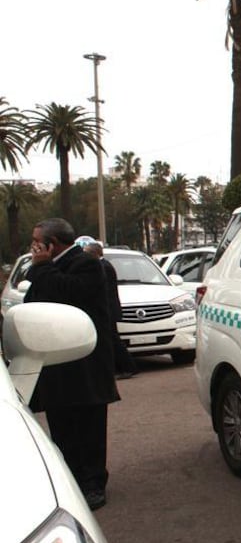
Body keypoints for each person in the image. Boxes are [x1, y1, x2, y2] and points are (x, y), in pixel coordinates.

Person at [25, 219, 120, 510]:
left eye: (37, 242)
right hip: (55, 363)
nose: (33, 248)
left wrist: (42, 266)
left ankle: (93, 484)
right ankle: (71, 481)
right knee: (62, 426)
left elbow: (65, 293)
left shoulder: (87, 264)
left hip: (84, 365)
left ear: (52, 244)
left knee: (88, 426)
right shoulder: (45, 271)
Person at [80, 237, 138, 379]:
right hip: (107, 309)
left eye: (86, 253)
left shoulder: (103, 267)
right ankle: (119, 367)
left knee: (113, 340)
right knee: (110, 340)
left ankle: (128, 366)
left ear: (94, 253)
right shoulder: (103, 265)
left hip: (108, 310)